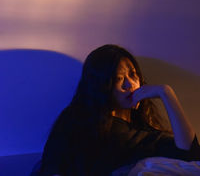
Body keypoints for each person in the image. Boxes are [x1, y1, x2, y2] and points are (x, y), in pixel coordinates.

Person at [36, 44, 200, 176]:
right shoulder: (77, 120)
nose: (129, 85)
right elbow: (52, 167)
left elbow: (189, 153)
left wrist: (166, 93)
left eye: (133, 75)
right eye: (118, 79)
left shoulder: (141, 132)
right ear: (101, 85)